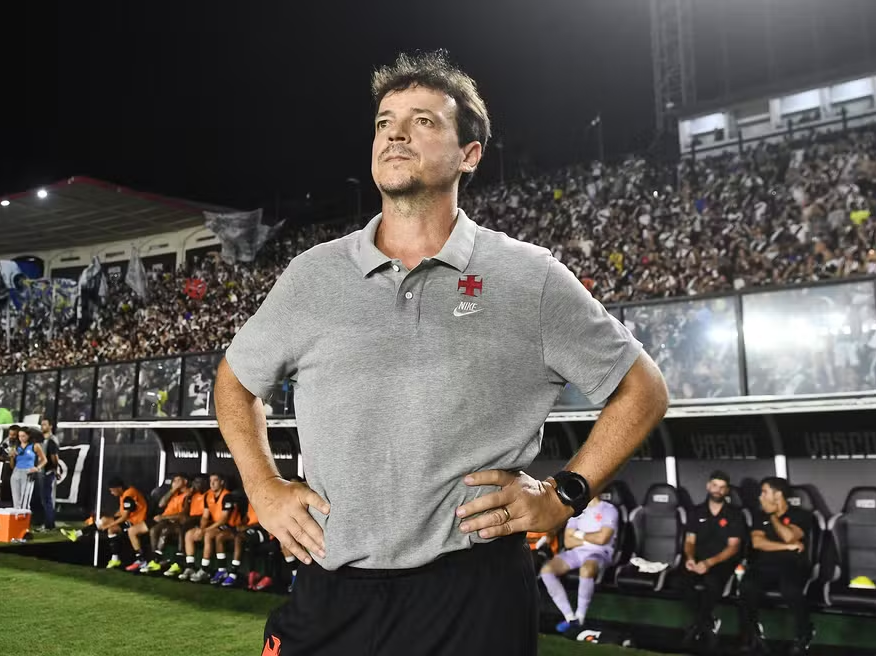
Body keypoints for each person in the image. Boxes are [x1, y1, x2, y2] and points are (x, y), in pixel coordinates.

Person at [214, 49, 668, 655]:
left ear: (469, 154)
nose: (395, 133)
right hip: (330, 585)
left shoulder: (528, 276)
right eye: (385, 122)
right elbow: (235, 381)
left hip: (471, 596)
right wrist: (262, 484)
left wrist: (565, 495)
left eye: (423, 121)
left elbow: (643, 389)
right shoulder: (312, 275)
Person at [740, 477, 814, 656]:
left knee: (791, 589)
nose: (760, 497)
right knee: (746, 586)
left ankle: (804, 634)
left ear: (778, 494)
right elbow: (758, 543)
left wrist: (773, 516)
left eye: (764, 492)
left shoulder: (801, 515)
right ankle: (753, 634)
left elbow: (789, 536)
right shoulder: (759, 516)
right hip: (764, 565)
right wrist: (787, 547)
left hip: (792, 565)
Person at [680, 471, 744, 652]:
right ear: (708, 486)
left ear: (727, 491)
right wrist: (690, 559)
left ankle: (697, 626)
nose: (718, 490)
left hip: (722, 562)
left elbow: (733, 547)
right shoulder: (696, 511)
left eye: (722, 487)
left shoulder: (734, 514)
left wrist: (708, 563)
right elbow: (689, 541)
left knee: (711, 583)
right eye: (715, 485)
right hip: (697, 561)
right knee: (681, 582)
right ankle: (708, 622)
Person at [538, 496, 619, 636]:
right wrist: (590, 539)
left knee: (586, 569)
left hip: (599, 553)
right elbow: (568, 542)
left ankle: (580, 618)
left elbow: (602, 539)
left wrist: (578, 534)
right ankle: (570, 617)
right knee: (547, 570)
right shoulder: (577, 510)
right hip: (576, 553)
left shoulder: (609, 510)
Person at [61, 477, 150, 570]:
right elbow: (122, 512)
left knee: (106, 523)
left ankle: (77, 534)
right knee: (110, 529)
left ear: (118, 488)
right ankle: (115, 558)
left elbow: (124, 517)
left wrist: (109, 524)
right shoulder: (126, 493)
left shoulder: (128, 496)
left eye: (112, 490)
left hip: (137, 522)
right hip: (132, 519)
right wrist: (111, 521)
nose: (111, 493)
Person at [178, 472, 233, 582]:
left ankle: (204, 569)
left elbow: (224, 519)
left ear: (222, 482)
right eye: (210, 481)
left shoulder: (227, 496)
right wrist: (201, 529)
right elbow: (205, 516)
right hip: (213, 524)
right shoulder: (208, 495)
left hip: (228, 526)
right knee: (189, 534)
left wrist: (205, 530)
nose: (212, 483)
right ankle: (190, 567)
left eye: (215, 480)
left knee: (208, 535)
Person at [140, 473, 191, 574]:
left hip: (179, 523)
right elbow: (161, 504)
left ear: (185, 482)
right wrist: (172, 490)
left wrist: (163, 517)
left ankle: (172, 561)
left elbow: (183, 515)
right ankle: (155, 560)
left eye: (178, 480)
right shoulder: (174, 493)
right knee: (153, 530)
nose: (175, 482)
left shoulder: (188, 494)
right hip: (167, 520)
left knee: (165, 530)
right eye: (174, 481)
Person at [163, 474, 207, 578]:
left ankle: (179, 560)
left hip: (201, 519)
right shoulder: (192, 495)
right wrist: (188, 497)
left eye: (199, 482)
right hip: (191, 520)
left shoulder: (207, 495)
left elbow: (205, 515)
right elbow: (185, 512)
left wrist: (201, 527)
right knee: (177, 527)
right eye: (195, 482)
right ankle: (188, 566)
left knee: (184, 525)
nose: (196, 484)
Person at [9, 428, 47, 511]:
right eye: (19, 436)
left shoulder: (35, 446)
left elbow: (44, 460)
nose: (21, 438)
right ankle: (17, 516)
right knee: (16, 500)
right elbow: (11, 466)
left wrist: (37, 468)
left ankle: (24, 516)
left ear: (28, 436)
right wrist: (11, 457)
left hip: (28, 472)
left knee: (25, 501)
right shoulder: (16, 447)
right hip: (16, 471)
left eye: (23, 436)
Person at [37, 417, 60, 532]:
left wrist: (55, 469)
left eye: (45, 424)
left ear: (50, 426)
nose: (42, 427)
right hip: (43, 472)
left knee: (47, 499)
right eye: (41, 424)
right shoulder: (43, 440)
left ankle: (48, 525)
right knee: (45, 499)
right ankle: (49, 524)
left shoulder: (51, 440)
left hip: (47, 472)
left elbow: (54, 457)